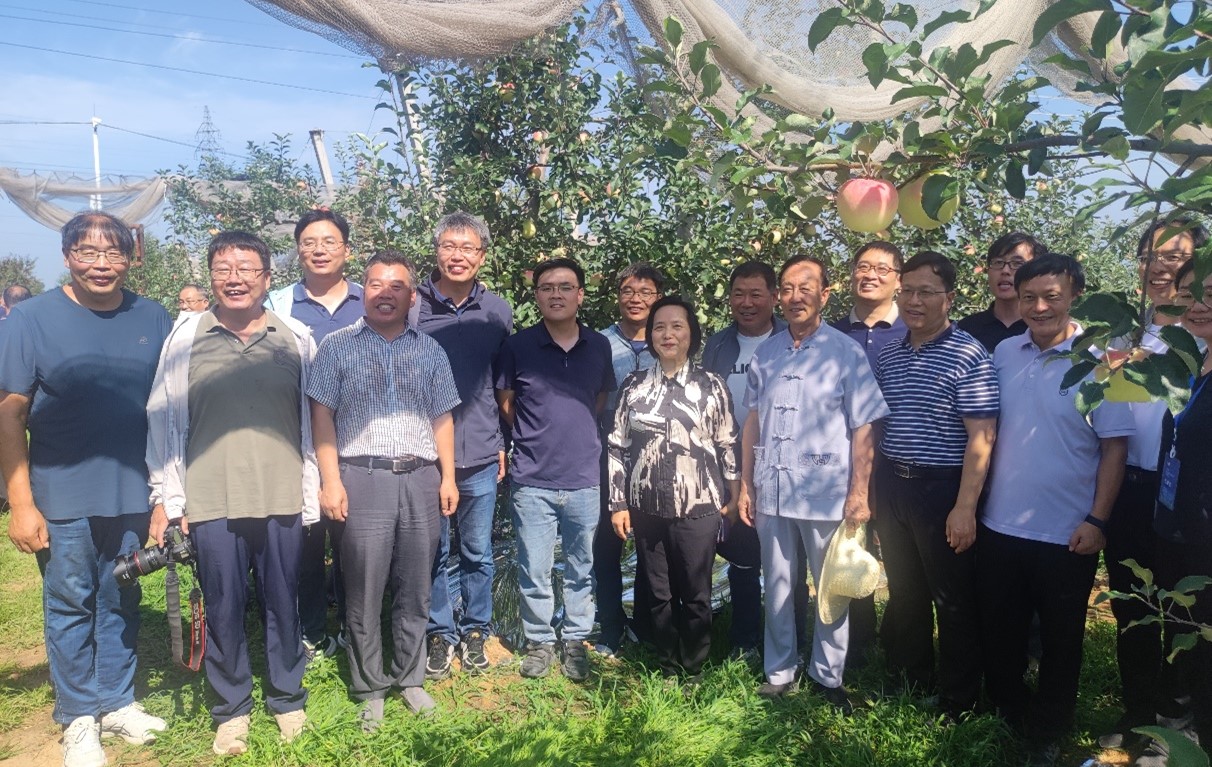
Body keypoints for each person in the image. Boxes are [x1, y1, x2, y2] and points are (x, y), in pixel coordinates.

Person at [0, 211, 170, 767]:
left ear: (131, 258)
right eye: (87, 252)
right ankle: (77, 717)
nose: (101, 264)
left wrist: (166, 496)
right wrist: (21, 503)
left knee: (122, 596)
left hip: (133, 491)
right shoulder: (30, 319)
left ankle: (116, 701)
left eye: (113, 252)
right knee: (71, 603)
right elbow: (10, 413)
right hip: (62, 493)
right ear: (67, 256)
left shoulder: (152, 316)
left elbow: (169, 408)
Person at [146, 230, 317, 756]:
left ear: (267, 277)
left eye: (246, 269)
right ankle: (231, 710)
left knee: (283, 603)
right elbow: (161, 418)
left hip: (282, 494)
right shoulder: (185, 338)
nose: (235, 279)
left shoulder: (295, 336)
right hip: (210, 498)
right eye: (223, 269)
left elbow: (315, 419)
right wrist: (165, 497)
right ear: (211, 276)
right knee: (221, 605)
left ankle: (287, 698)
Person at [977, 254, 1133, 766]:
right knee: (1001, 629)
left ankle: (1048, 730)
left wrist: (1097, 520)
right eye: (1029, 297)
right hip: (1000, 524)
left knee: (1062, 641)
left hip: (1066, 532)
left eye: (1052, 296)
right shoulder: (1004, 352)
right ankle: (1008, 710)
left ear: (1074, 297)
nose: (1039, 307)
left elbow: (1114, 447)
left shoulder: (1102, 361)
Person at [308, 250, 461, 730]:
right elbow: (321, 416)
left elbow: (442, 417)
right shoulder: (337, 347)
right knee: (364, 586)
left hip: (421, 478)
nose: (386, 293)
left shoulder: (430, 350)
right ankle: (370, 686)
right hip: (362, 477)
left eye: (397, 286)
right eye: (376, 284)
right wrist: (331, 481)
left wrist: (448, 476)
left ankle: (410, 678)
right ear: (364, 292)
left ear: (412, 297)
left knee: (416, 586)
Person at [738, 255, 889, 712]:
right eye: (787, 288)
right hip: (772, 488)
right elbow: (753, 421)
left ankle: (828, 675)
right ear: (778, 296)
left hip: (826, 492)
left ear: (825, 294)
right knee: (777, 584)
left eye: (806, 288)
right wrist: (746, 484)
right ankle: (780, 671)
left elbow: (864, 426)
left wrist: (859, 492)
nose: (795, 296)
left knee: (831, 587)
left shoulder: (845, 352)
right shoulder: (767, 352)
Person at [872, 251, 998, 717]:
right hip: (895, 485)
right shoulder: (890, 354)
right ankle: (912, 677)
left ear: (950, 298)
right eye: (907, 291)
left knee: (952, 597)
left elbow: (982, 436)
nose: (914, 301)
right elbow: (878, 425)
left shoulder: (968, 354)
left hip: (942, 490)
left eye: (926, 292)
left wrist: (964, 507)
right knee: (906, 590)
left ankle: (958, 696)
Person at [1100, 217, 1207, 749]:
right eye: (1149, 255)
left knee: (1184, 610)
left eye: (1174, 256)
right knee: (1132, 606)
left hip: (1183, 494)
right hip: (1129, 485)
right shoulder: (1122, 330)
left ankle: (1178, 720)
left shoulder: (1199, 334)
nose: (1158, 266)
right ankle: (1138, 713)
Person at [607, 296, 739, 682]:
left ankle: (693, 666)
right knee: (658, 591)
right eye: (659, 327)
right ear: (650, 336)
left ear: (691, 334)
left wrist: (735, 495)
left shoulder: (711, 386)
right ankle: (667, 663)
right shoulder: (633, 386)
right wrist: (618, 503)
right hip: (646, 504)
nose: (668, 334)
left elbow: (727, 443)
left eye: (677, 326)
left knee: (696, 591)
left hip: (699, 505)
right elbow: (616, 445)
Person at [495, 257, 615, 681]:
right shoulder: (518, 346)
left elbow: (598, 399)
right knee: (535, 567)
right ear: (537, 296)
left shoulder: (599, 345)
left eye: (565, 287)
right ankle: (540, 641)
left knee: (582, 566)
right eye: (547, 287)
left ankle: (575, 640)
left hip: (583, 477)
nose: (556, 294)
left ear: (580, 295)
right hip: (533, 479)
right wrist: (537, 436)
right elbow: (507, 403)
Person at [417, 212, 512, 680]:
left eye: (468, 248)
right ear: (436, 251)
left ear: (482, 256)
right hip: (423, 456)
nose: (458, 256)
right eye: (449, 246)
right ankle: (439, 632)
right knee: (432, 551)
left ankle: (476, 629)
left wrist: (502, 442)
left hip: (479, 451)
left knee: (477, 550)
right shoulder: (412, 305)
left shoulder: (498, 310)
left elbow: (501, 383)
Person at [269, 208, 366, 661]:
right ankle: (310, 630)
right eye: (309, 242)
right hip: (298, 444)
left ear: (347, 249)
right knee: (305, 542)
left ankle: (352, 625)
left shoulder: (370, 299)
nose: (319, 250)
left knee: (354, 544)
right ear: (298, 251)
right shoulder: (278, 304)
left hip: (360, 442)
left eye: (329, 241)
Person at [701, 261, 793, 658]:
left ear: (774, 297)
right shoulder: (718, 345)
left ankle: (789, 641)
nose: (747, 302)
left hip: (781, 465)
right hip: (729, 468)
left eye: (756, 294)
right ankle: (744, 639)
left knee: (785, 559)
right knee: (741, 553)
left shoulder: (791, 340)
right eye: (739, 294)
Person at [830, 239, 906, 667]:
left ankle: (898, 646)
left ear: (898, 280)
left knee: (901, 559)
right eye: (862, 266)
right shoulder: (833, 334)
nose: (870, 275)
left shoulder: (913, 331)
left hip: (898, 465)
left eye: (882, 268)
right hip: (844, 466)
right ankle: (855, 643)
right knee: (850, 552)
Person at [1148, 260, 1212, 754]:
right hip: (1187, 532)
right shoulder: (1195, 364)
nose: (1198, 304)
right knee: (1192, 636)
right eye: (1188, 293)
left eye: (1210, 292)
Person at [594, 262, 662, 655]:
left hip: (657, 458)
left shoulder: (667, 340)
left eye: (645, 292)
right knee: (607, 544)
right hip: (609, 454)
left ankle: (647, 625)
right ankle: (611, 626)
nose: (636, 299)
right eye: (628, 291)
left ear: (658, 298)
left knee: (652, 543)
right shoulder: (600, 343)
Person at [958, 232, 1047, 353]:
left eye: (1017, 263)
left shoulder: (1046, 330)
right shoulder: (965, 331)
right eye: (998, 262)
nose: (1005, 270)